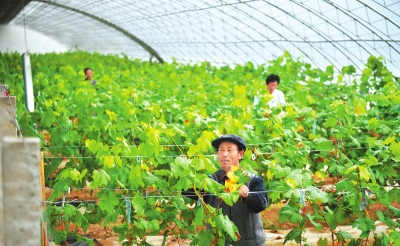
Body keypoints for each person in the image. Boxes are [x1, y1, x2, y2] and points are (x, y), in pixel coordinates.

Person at [186, 134, 268, 245]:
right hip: (218, 242)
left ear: (240, 154)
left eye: (229, 150)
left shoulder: (253, 180)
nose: (225, 154)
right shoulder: (209, 181)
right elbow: (187, 190)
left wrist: (248, 196)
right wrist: (185, 173)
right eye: (221, 150)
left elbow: (261, 203)